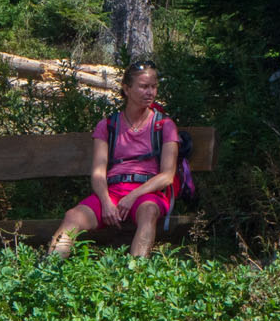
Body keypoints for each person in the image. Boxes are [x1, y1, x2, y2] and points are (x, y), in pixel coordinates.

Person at [48, 60, 181, 260]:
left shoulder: (164, 125)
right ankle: (47, 272)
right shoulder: (108, 125)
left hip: (147, 192)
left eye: (153, 87)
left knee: (148, 212)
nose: (150, 92)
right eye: (144, 87)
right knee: (73, 216)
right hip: (112, 192)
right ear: (127, 89)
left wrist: (133, 196)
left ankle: (135, 274)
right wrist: (106, 202)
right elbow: (98, 172)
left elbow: (167, 176)